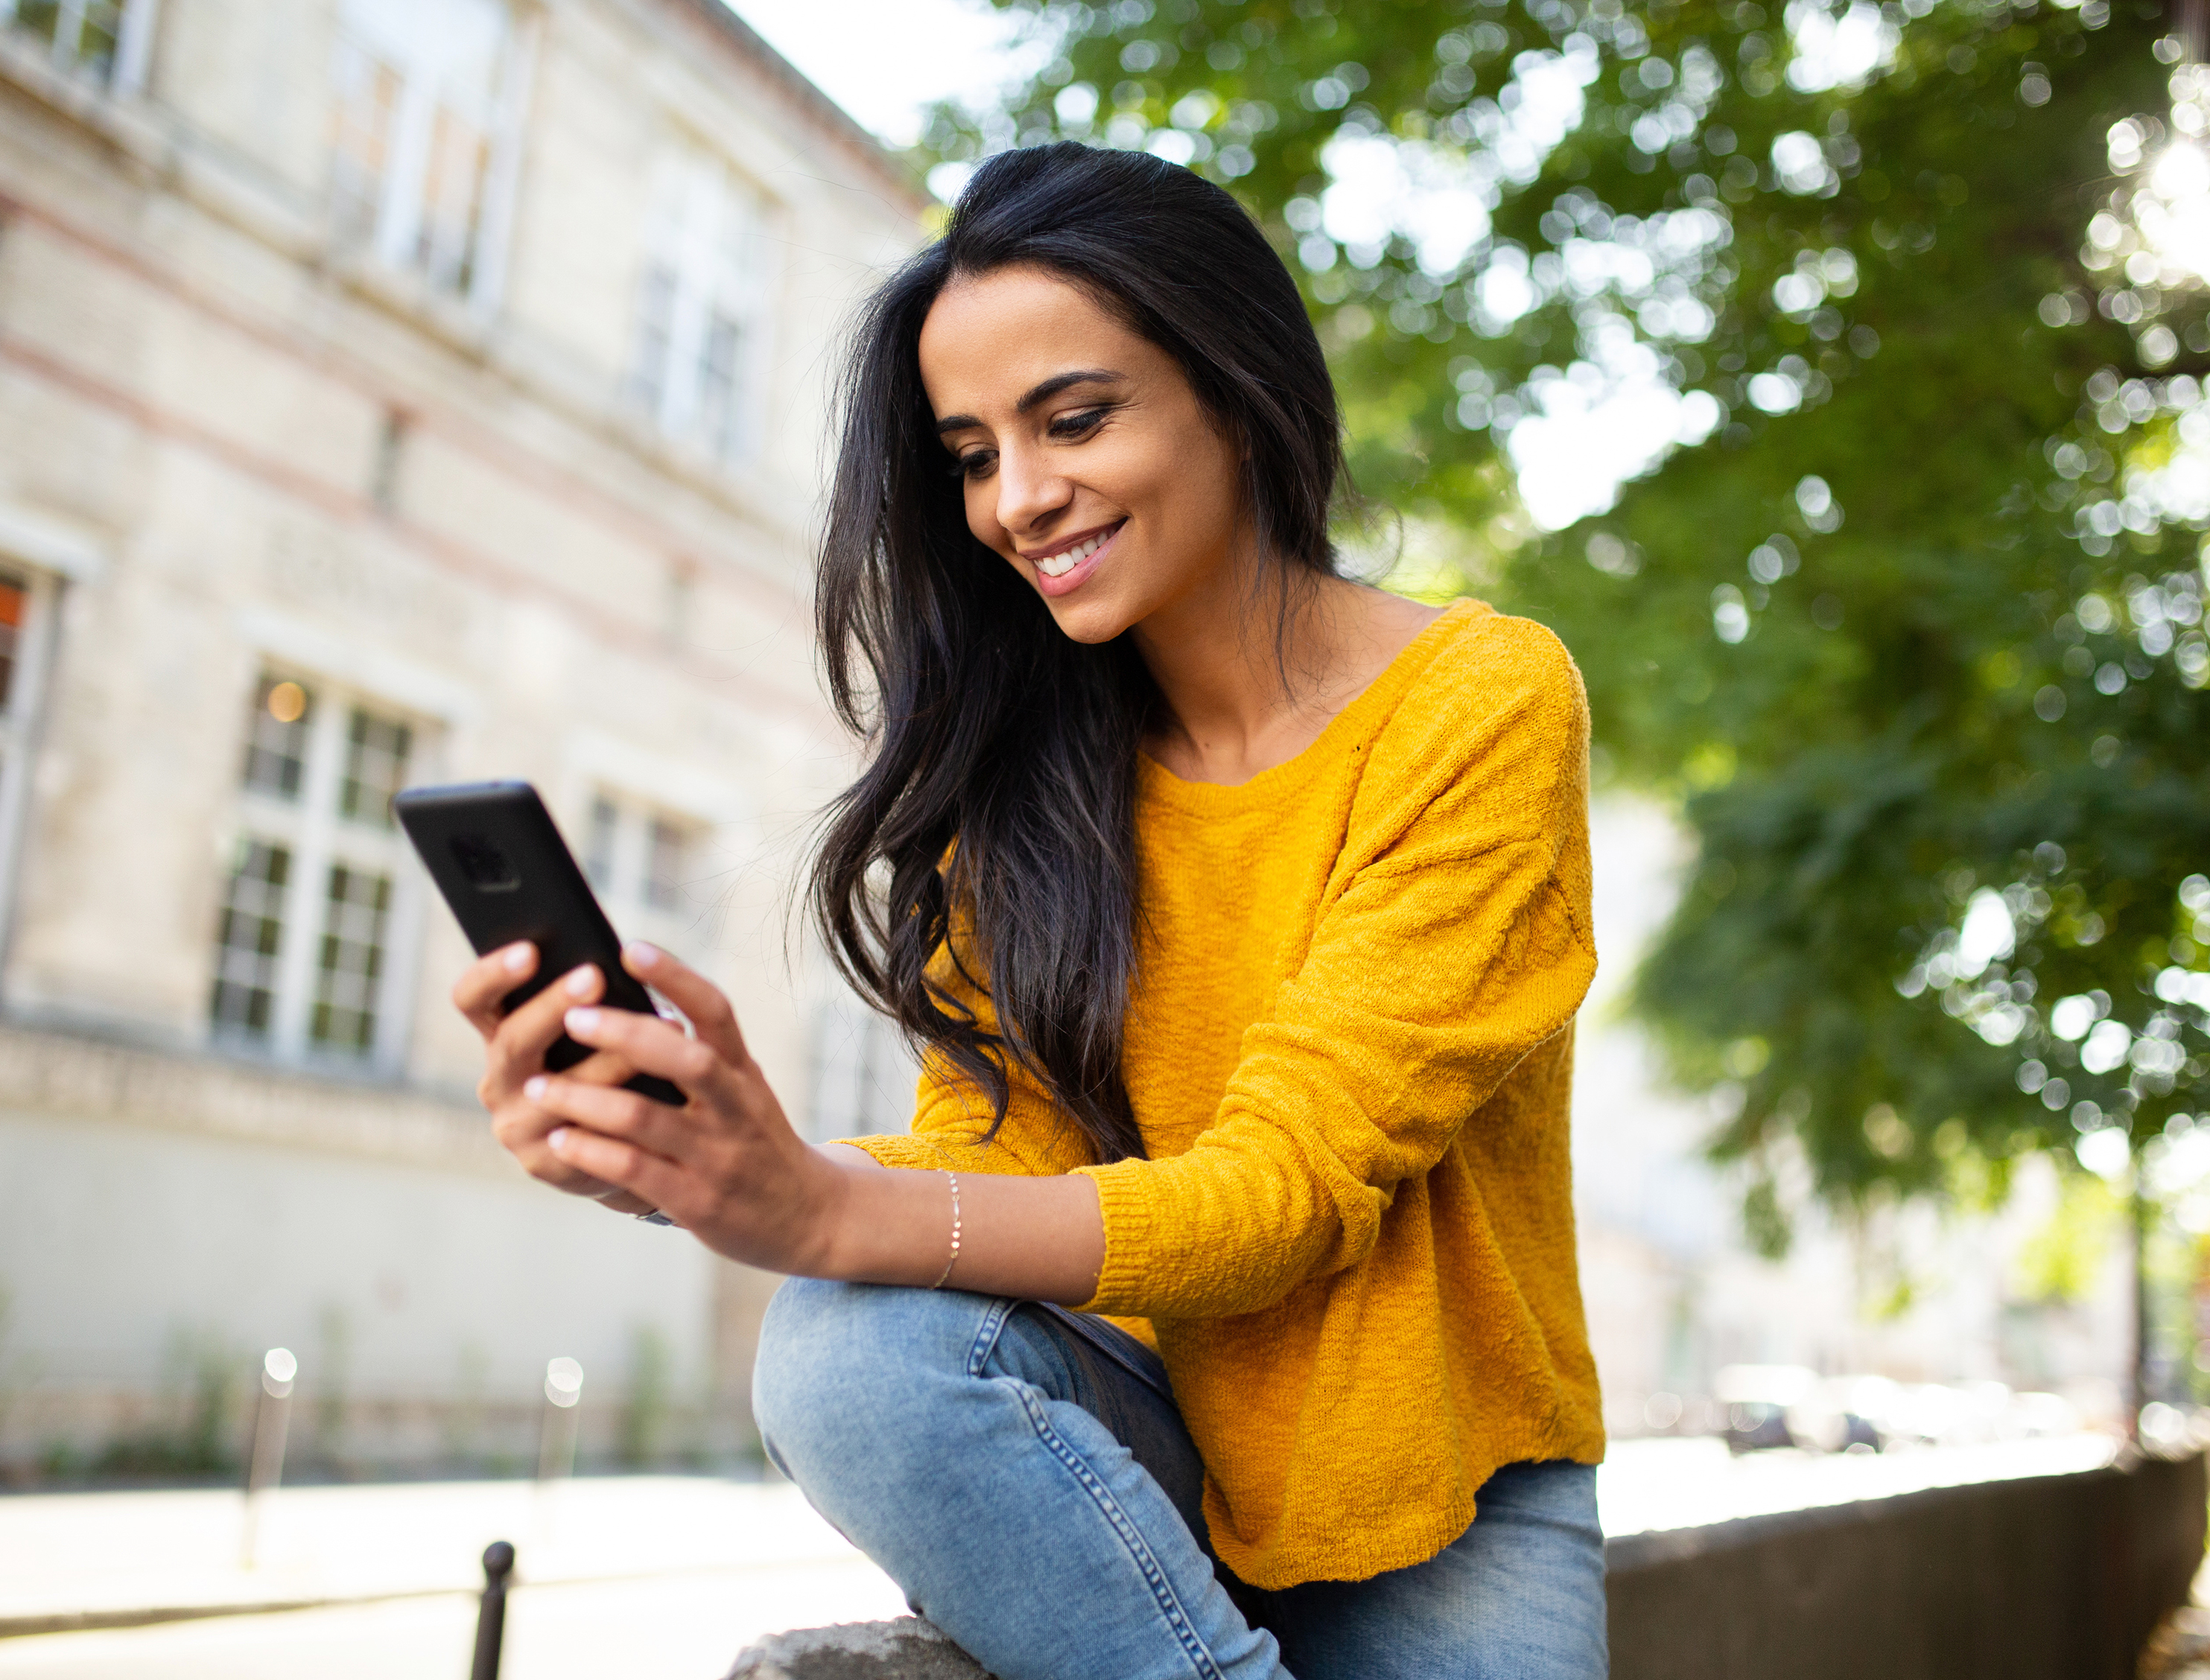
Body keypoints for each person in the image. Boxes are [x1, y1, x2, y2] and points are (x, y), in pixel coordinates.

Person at [453, 142, 1606, 1680]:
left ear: (1236, 388)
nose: (1019, 498)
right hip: (1150, 1471)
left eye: (1075, 419)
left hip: (1442, 1500)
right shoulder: (1035, 769)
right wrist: (696, 1160)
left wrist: (817, 1200)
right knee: (845, 1349)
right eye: (973, 454)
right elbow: (996, 1160)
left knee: (842, 1265)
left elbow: (1289, 1196)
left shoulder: (1479, 701)